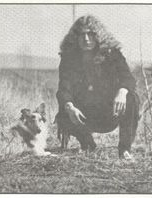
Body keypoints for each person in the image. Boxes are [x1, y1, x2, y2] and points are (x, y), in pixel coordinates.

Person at [55, 15, 140, 160]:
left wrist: (122, 91)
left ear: (99, 36)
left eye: (91, 34)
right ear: (75, 38)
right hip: (83, 115)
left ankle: (125, 150)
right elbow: (64, 88)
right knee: (63, 112)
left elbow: (128, 78)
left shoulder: (112, 54)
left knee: (131, 98)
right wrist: (70, 107)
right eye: (82, 35)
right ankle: (88, 146)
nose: (86, 39)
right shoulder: (69, 58)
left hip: (110, 111)